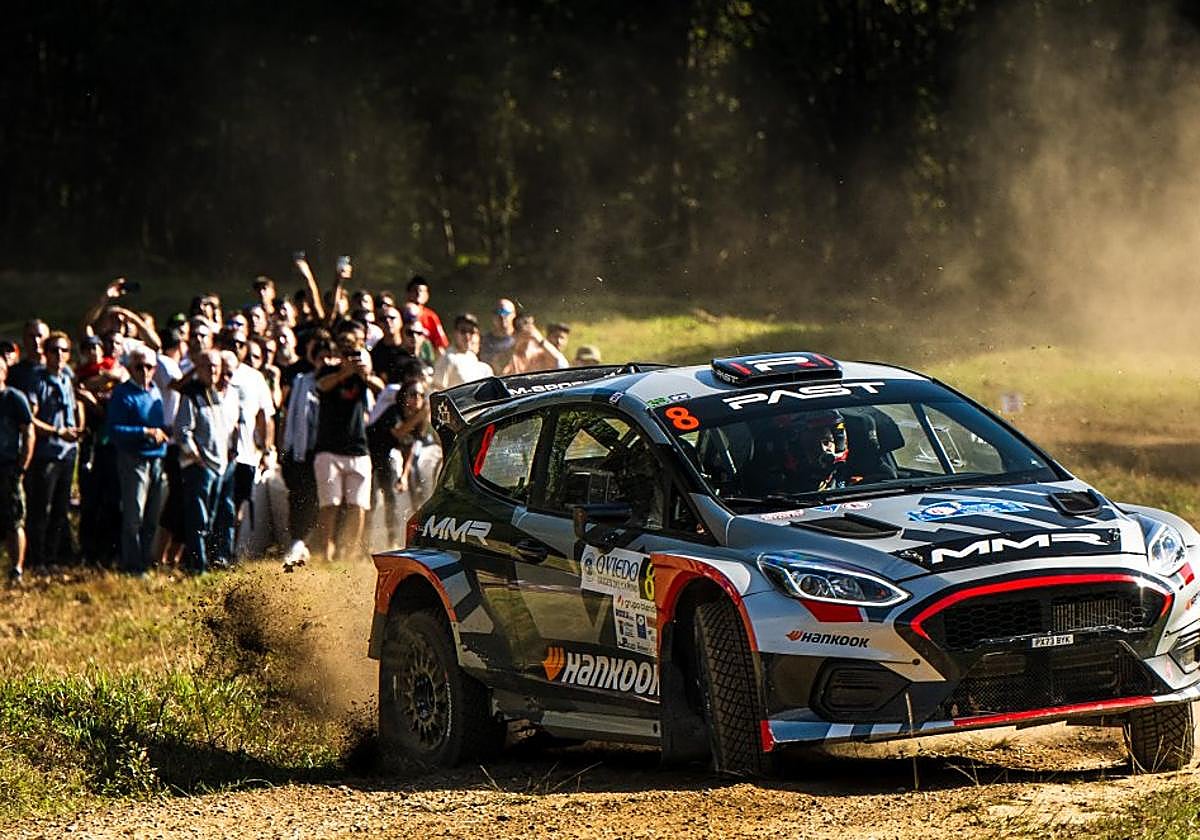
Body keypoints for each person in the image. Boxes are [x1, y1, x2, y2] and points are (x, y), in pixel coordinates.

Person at [312, 328, 380, 562]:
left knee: (358, 505)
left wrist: (366, 376)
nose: (349, 355)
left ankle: (349, 553)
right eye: (344, 350)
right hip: (329, 448)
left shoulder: (362, 373)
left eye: (353, 351)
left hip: (358, 448)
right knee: (329, 504)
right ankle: (326, 551)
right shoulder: (328, 370)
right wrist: (344, 373)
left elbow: (382, 389)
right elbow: (321, 386)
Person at [106, 345, 169, 576]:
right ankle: (132, 565)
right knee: (134, 516)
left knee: (152, 517)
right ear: (130, 368)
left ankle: (145, 560)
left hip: (157, 459)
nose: (144, 371)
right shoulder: (122, 394)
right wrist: (145, 432)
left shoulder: (155, 391)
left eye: (149, 367)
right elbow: (114, 430)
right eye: (139, 367)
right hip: (134, 460)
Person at [175, 351, 238, 574]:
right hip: (200, 468)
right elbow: (182, 431)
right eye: (207, 366)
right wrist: (196, 458)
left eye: (215, 366)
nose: (212, 370)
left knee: (213, 518)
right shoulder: (190, 395)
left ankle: (210, 562)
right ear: (198, 368)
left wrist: (231, 450)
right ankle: (196, 566)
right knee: (198, 520)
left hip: (220, 466)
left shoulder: (217, 394)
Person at [24, 331, 83, 569]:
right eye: (54, 350)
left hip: (68, 453)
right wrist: (58, 432)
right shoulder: (37, 380)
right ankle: (36, 560)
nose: (59, 355)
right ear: (46, 354)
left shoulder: (67, 379)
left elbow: (75, 406)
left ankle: (52, 557)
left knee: (60, 509)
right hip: (47, 453)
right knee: (41, 510)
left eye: (64, 350)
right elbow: (30, 418)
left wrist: (78, 427)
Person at [0, 356, 34, 584]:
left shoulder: (14, 398)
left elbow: (28, 432)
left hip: (8, 467)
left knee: (14, 521)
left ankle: (17, 570)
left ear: (4, 373)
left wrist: (22, 466)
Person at [431, 314, 493, 390]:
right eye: (463, 331)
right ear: (455, 333)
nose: (467, 336)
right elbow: (436, 390)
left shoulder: (473, 359)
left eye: (471, 332)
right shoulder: (448, 358)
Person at [503, 314, 569, 374]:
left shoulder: (541, 354)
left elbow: (562, 365)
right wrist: (514, 346)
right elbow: (501, 371)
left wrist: (540, 339)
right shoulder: (510, 355)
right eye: (520, 328)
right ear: (514, 333)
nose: (526, 330)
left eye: (530, 325)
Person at [404, 276, 449, 354]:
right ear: (408, 293)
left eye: (422, 291)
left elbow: (440, 344)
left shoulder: (431, 316)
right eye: (415, 290)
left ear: (427, 295)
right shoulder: (399, 313)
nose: (418, 294)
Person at [8, 319, 49, 394]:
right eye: (31, 336)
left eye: (40, 336)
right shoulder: (13, 373)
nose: (36, 341)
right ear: (24, 339)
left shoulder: (61, 371)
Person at [480, 298, 516, 370]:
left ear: (514, 315)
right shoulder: (482, 342)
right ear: (492, 316)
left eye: (505, 312)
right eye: (498, 312)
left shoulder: (524, 338)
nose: (502, 316)